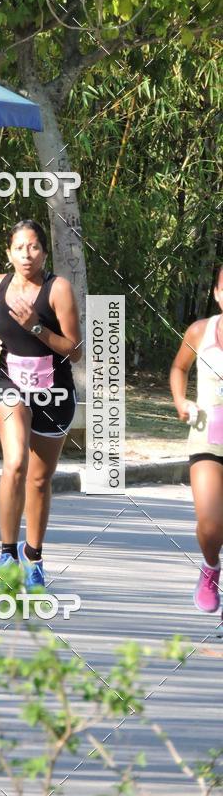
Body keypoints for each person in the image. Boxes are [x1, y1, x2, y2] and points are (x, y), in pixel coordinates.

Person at [0, 219, 82, 588]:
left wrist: (37, 327)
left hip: (55, 392)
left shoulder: (57, 289)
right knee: (15, 462)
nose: (27, 254)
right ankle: (6, 553)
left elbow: (75, 351)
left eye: (33, 247)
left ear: (44, 252)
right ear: (9, 254)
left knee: (38, 479)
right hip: (10, 384)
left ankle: (33, 556)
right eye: (19, 248)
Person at [170, 265, 223, 618]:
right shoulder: (200, 331)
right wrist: (180, 402)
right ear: (218, 293)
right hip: (209, 433)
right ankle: (210, 568)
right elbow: (178, 369)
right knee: (209, 522)